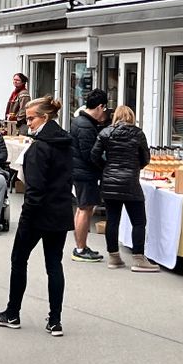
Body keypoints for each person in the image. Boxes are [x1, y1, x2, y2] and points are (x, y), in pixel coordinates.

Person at [0, 96, 74, 336]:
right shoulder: (64, 141)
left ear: (45, 117)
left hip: (38, 213)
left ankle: (12, 312)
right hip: (60, 210)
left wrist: (27, 215)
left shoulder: (40, 146)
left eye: (31, 118)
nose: (27, 123)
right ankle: (55, 320)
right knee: (54, 264)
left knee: (19, 260)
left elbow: (35, 187)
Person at [93, 104, 159, 271]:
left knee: (112, 220)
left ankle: (114, 258)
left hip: (109, 182)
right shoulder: (138, 133)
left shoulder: (106, 133)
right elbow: (145, 158)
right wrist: (135, 167)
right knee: (138, 221)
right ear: (131, 117)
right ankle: (139, 259)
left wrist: (106, 168)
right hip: (131, 182)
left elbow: (94, 155)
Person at [69, 88, 110, 262]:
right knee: (85, 209)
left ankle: (81, 246)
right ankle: (80, 248)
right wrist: (105, 166)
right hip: (85, 173)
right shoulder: (86, 125)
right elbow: (90, 155)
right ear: (100, 106)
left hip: (80, 171)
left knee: (82, 208)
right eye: (105, 109)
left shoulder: (80, 120)